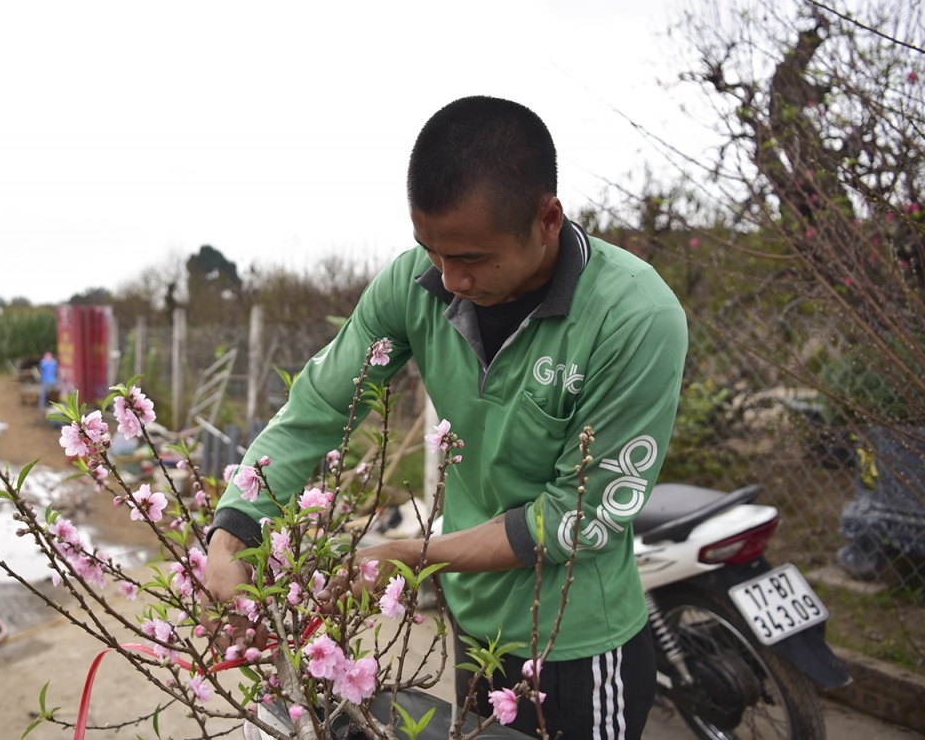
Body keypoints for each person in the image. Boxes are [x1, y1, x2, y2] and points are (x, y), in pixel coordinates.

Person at [204, 96, 687, 740]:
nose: (449, 277)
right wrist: (233, 531)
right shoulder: (416, 282)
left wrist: (409, 554)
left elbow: (578, 515)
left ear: (547, 220)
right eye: (430, 249)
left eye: (472, 258)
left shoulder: (633, 317)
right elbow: (322, 404)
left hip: (574, 642)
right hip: (472, 626)